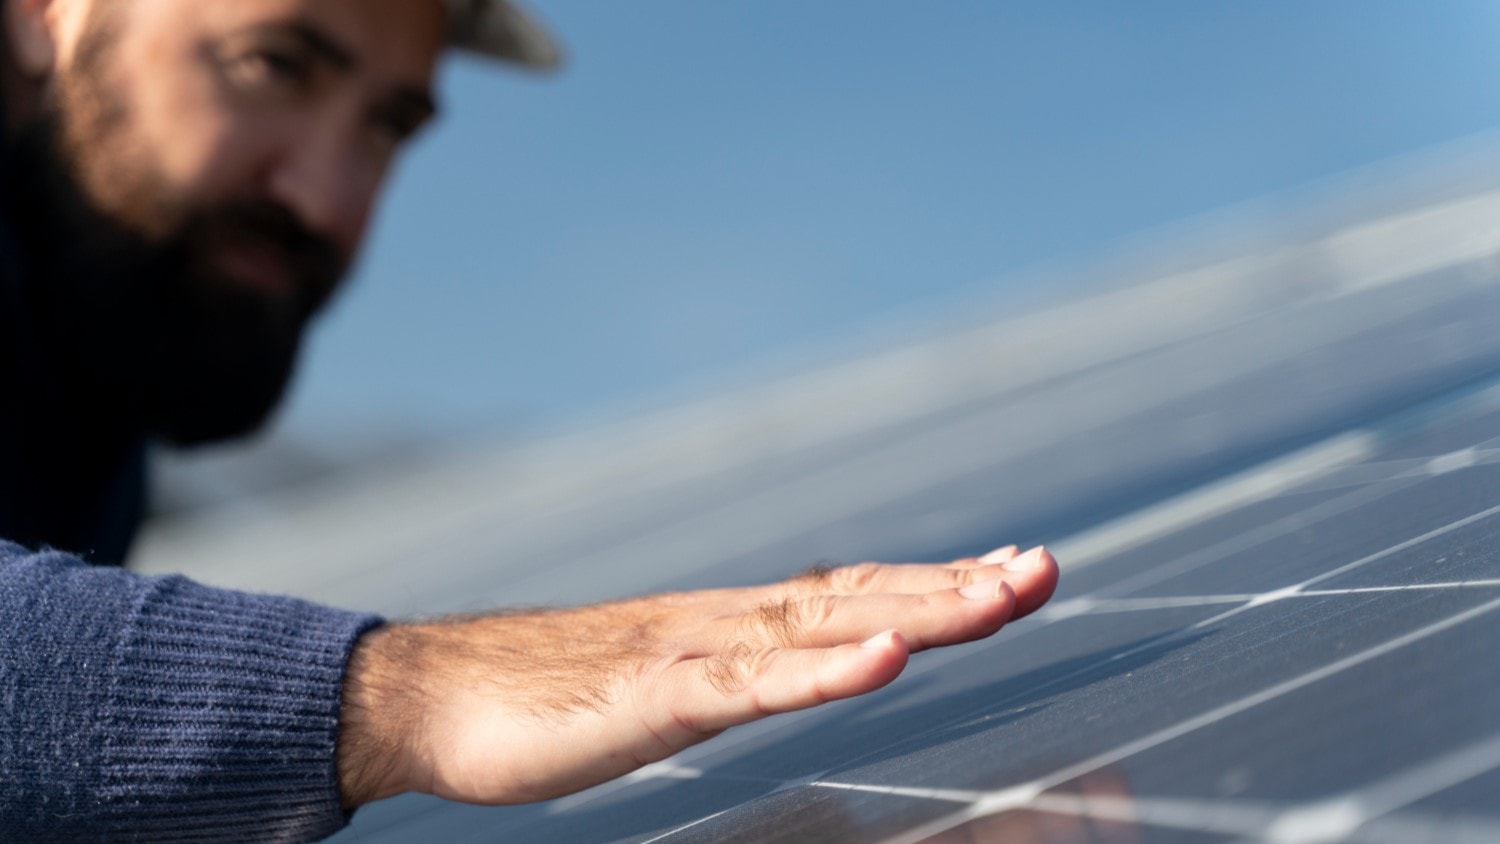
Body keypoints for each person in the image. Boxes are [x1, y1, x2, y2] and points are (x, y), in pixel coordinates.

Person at [0, 0, 1061, 840]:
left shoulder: (94, 380)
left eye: (385, 126)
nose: (325, 196)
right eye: (272, 64)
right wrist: (394, 691)